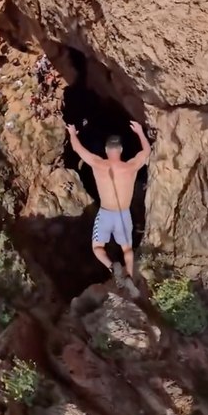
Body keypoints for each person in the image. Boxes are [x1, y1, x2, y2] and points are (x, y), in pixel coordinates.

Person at [65, 120, 150, 298]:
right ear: (120, 150)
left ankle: (113, 267)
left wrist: (73, 133)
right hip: (123, 213)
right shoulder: (131, 166)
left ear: (106, 150)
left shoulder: (98, 164)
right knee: (127, 249)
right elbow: (146, 152)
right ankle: (129, 280)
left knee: (97, 247)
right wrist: (140, 132)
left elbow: (78, 150)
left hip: (105, 213)